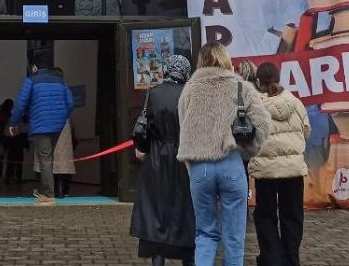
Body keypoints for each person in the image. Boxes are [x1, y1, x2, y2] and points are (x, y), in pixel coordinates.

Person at [177, 42, 270, 266]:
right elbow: (263, 125)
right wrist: (248, 151)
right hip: (231, 163)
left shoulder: (189, 89)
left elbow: (184, 127)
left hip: (200, 166)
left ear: (201, 61)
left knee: (205, 234)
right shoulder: (241, 87)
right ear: (225, 58)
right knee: (234, 237)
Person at [130, 55, 196, 266]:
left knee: (156, 209)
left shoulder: (154, 92)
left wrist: (143, 148)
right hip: (184, 157)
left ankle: (157, 261)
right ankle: (188, 258)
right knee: (184, 208)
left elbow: (144, 127)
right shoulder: (190, 93)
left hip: (156, 158)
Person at [249, 62, 311, 266]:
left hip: (265, 171)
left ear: (258, 81)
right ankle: (291, 260)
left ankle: (273, 259)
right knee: (292, 216)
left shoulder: (254, 106)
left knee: (265, 216)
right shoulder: (296, 103)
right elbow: (306, 132)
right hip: (293, 170)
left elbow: (249, 137)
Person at [8, 58, 74, 202]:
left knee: (45, 158)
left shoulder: (31, 80)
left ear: (35, 67)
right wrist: (62, 119)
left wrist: (13, 123)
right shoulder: (60, 81)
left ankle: (48, 193)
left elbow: (20, 104)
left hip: (40, 125)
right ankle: (46, 190)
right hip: (57, 126)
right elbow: (70, 103)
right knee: (49, 158)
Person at [0, 99, 14, 180]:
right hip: (3, 138)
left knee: (1, 157)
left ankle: (1, 176)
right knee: (5, 157)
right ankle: (6, 176)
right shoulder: (3, 115)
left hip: (0, 137)